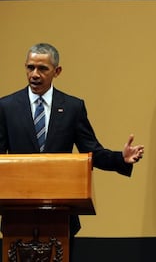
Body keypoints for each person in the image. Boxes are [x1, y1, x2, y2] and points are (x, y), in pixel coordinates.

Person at [0, 42, 145, 236]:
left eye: (42, 69)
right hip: (17, 213)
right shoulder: (6, 106)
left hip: (61, 211)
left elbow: (91, 150)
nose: (35, 74)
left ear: (57, 71)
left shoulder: (72, 107)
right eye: (30, 67)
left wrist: (121, 158)